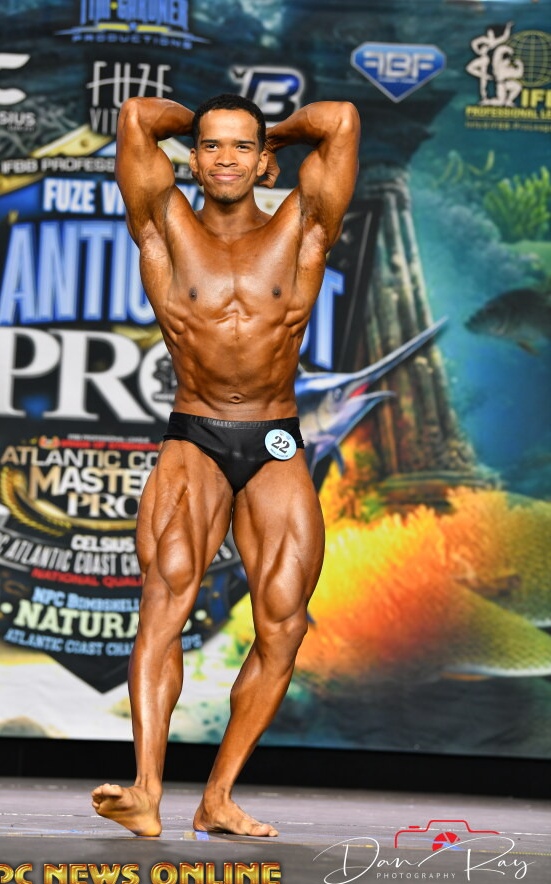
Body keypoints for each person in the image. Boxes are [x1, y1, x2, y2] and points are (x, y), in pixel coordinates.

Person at [92, 92, 360, 837]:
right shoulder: (164, 224)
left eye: (243, 147)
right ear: (191, 160)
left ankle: (218, 798)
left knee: (283, 622)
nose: (226, 159)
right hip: (196, 436)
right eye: (211, 146)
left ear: (267, 160)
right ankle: (146, 790)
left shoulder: (302, 227)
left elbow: (339, 120)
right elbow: (138, 118)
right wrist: (213, 127)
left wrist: (264, 133)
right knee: (167, 593)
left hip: (274, 437)